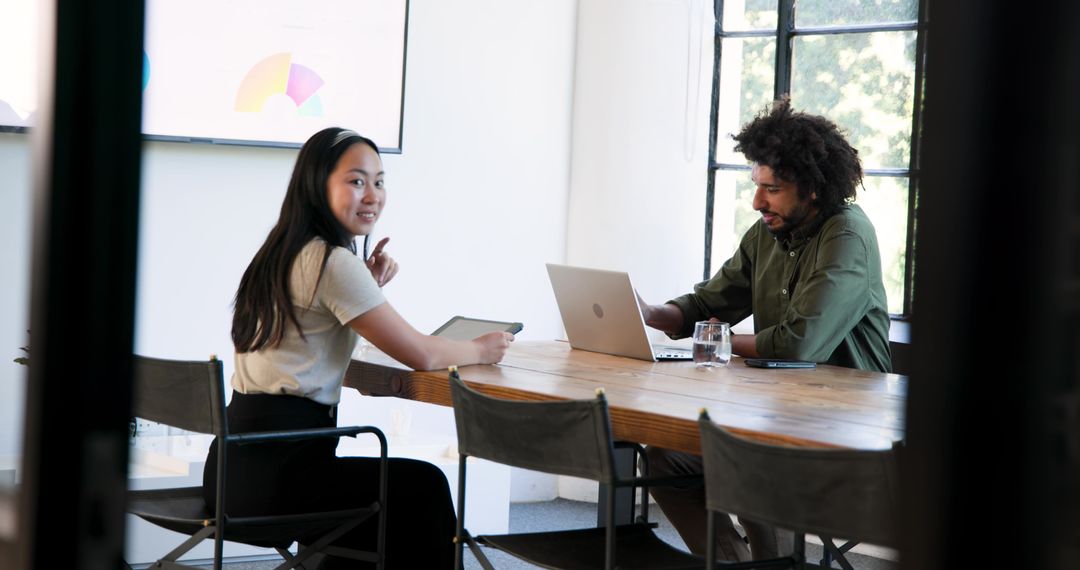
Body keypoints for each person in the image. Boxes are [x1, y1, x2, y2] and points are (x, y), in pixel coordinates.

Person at [202, 127, 513, 568]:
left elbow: (305, 340)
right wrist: (481, 349)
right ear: (317, 186)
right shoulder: (332, 262)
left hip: (230, 473)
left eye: (379, 181)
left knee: (384, 505)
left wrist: (365, 285)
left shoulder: (280, 252)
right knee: (422, 488)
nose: (372, 195)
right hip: (282, 477)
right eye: (356, 181)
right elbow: (421, 354)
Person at [637, 99, 891, 561]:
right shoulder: (766, 233)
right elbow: (711, 302)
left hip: (845, 423)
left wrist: (717, 341)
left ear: (812, 188)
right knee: (664, 458)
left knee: (743, 453)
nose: (757, 203)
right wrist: (651, 313)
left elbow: (800, 343)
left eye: (771, 190)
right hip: (774, 412)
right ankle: (733, 562)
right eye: (757, 187)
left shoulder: (847, 235)